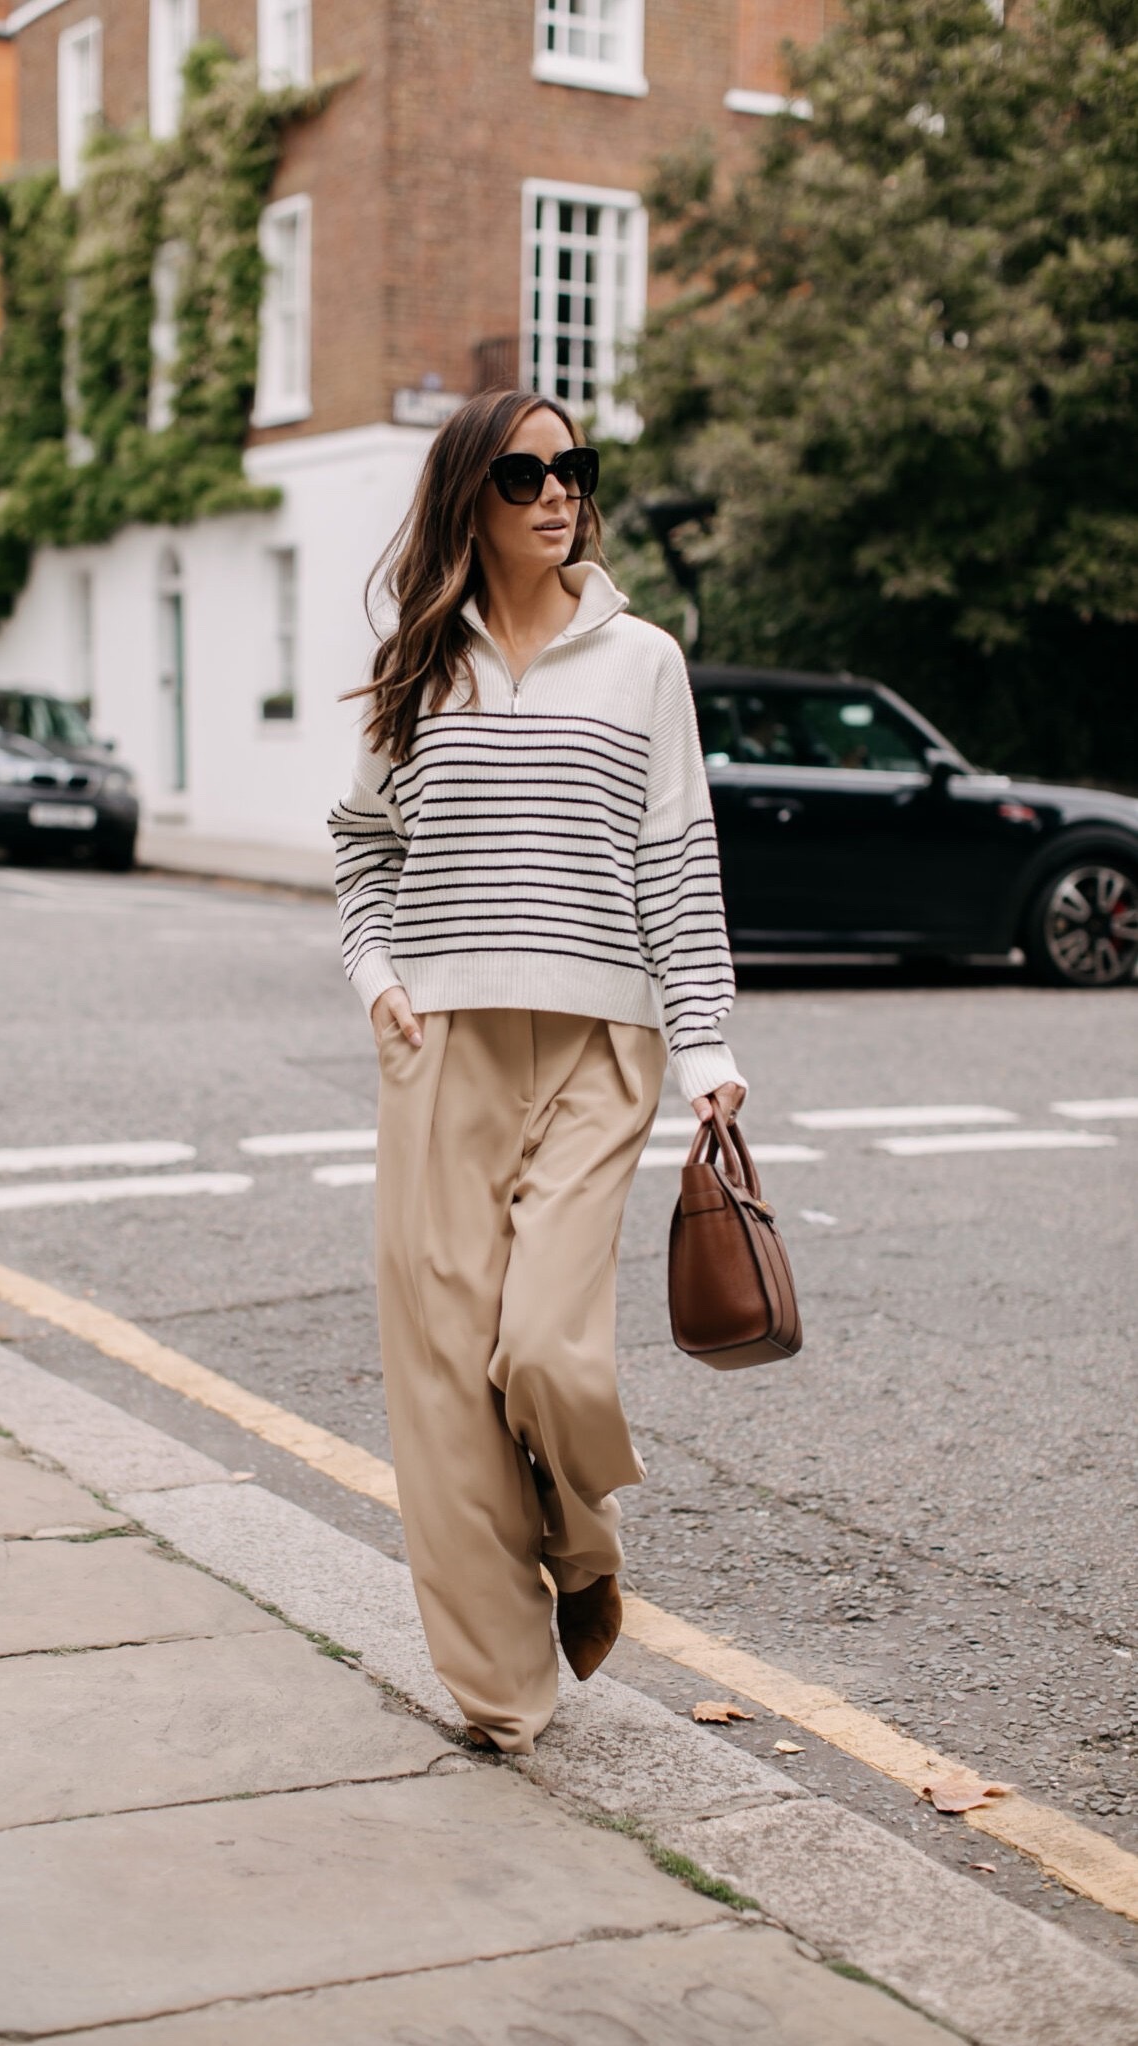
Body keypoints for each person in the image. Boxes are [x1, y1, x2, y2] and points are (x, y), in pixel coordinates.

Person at [327, 388, 747, 1755]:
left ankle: (580, 1533)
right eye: (524, 472)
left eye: (574, 467)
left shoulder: (646, 663)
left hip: (595, 1048)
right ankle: (505, 1693)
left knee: (549, 1353)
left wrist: (708, 1045)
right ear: (473, 496)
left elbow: (680, 862)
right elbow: (359, 850)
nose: (557, 489)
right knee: (445, 1384)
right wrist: (377, 975)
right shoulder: (420, 665)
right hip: (437, 1043)